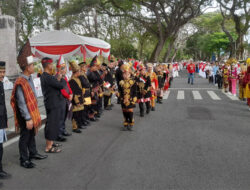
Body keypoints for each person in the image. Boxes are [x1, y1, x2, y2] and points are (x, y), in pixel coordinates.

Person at [11, 55, 47, 169]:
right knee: (25, 136)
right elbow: (21, 103)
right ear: (27, 67)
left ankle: (33, 153)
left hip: (31, 112)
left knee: (31, 134)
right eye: (32, 65)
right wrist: (27, 118)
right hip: (25, 114)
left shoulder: (30, 78)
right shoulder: (21, 82)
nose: (34, 67)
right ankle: (24, 159)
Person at [40, 57, 64, 153]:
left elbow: (55, 83)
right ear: (49, 65)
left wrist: (57, 79)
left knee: (52, 123)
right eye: (51, 64)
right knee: (51, 124)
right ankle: (48, 147)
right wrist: (61, 78)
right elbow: (60, 86)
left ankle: (51, 142)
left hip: (51, 102)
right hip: (52, 103)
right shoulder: (48, 77)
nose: (53, 66)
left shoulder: (44, 76)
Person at [55, 56, 72, 141]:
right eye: (64, 68)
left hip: (65, 99)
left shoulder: (65, 77)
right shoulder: (57, 78)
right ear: (60, 69)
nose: (65, 70)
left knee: (64, 116)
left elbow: (68, 86)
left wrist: (71, 93)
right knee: (60, 117)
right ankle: (59, 133)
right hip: (60, 99)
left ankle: (63, 130)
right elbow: (61, 89)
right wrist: (68, 96)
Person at [117, 64, 137, 131]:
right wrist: (119, 95)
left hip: (130, 99)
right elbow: (119, 91)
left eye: (127, 74)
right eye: (124, 74)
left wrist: (134, 98)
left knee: (130, 111)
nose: (126, 75)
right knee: (124, 111)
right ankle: (125, 123)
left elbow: (135, 92)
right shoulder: (121, 82)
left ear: (130, 74)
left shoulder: (133, 82)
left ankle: (131, 123)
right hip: (123, 100)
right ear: (123, 75)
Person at [0, 61, 11, 178]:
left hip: (1, 120)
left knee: (0, 146)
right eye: (0, 72)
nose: (2, 74)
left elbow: (3, 104)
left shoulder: (1, 83)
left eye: (3, 72)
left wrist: (6, 118)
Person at [69, 61, 86, 133]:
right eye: (79, 71)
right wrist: (77, 101)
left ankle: (78, 125)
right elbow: (74, 93)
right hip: (76, 100)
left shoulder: (78, 79)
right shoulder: (72, 81)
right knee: (75, 114)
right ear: (76, 72)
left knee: (80, 113)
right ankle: (74, 127)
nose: (80, 72)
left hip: (80, 98)